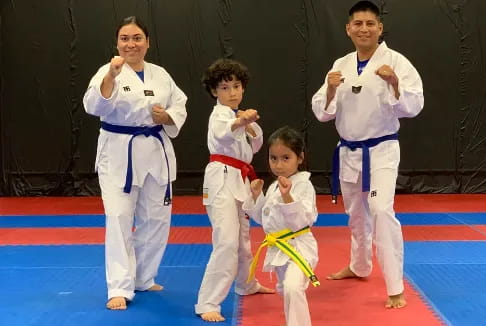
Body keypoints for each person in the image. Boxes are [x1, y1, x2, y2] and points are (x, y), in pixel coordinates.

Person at [311, 0, 424, 309]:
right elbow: (322, 112)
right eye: (357, 24)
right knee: (356, 214)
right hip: (348, 151)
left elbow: (414, 106)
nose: (364, 28)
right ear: (348, 29)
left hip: (382, 149)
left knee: (381, 210)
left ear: (380, 28)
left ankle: (395, 287)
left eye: (370, 23)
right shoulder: (341, 64)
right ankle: (359, 266)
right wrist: (331, 90)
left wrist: (395, 83)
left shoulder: (397, 62)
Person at [83, 16, 187, 310]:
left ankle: (143, 277)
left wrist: (167, 118)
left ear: (147, 42)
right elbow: (93, 106)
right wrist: (110, 78)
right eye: (125, 38)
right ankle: (119, 286)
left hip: (155, 150)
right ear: (117, 43)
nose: (131, 44)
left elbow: (179, 104)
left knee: (157, 219)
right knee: (118, 218)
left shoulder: (161, 74)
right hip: (119, 153)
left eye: (137, 38)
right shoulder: (108, 70)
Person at [195, 58, 274, 322]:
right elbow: (222, 134)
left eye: (237, 86)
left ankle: (246, 284)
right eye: (225, 87)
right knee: (226, 241)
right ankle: (208, 301)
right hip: (220, 179)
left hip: (240, 178)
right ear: (214, 91)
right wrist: (241, 123)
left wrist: (247, 122)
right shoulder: (219, 115)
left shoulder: (236, 115)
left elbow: (254, 146)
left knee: (242, 240)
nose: (232, 92)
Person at [243, 126, 319, 326]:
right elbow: (264, 219)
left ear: (299, 158)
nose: (278, 165)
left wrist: (288, 197)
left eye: (286, 158)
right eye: (273, 158)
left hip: (299, 247)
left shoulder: (304, 184)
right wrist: (257, 196)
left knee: (293, 287)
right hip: (278, 249)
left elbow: (301, 222)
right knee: (285, 290)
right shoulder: (275, 185)